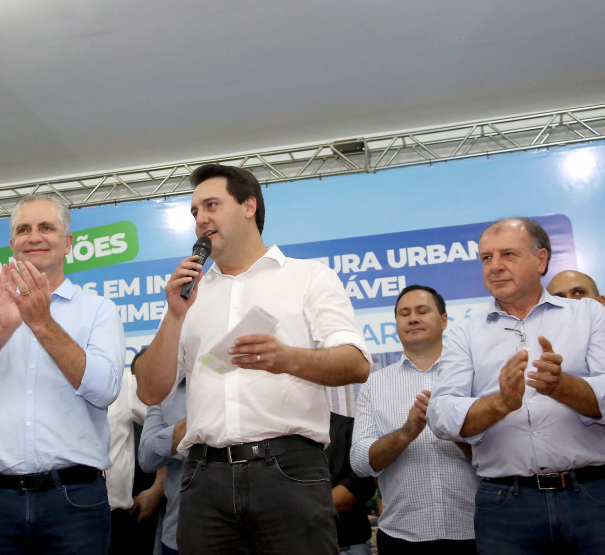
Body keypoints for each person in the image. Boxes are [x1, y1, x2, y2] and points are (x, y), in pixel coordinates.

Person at [134, 164, 371, 555]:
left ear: (249, 206)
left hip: (288, 472)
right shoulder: (190, 296)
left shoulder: (309, 277)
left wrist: (287, 358)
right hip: (202, 479)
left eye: (211, 205)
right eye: (194, 212)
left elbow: (356, 363)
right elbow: (149, 389)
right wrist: (174, 314)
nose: (200, 219)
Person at [0, 193, 126, 554]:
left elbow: (105, 389)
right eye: (24, 229)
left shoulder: (99, 310)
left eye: (46, 227)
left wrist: (41, 322)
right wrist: (0, 329)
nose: (34, 237)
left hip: (75, 501)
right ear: (12, 244)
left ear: (67, 243)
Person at [428, 217, 605, 554]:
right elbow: (440, 416)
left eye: (508, 254)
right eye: (486, 258)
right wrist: (500, 403)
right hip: (506, 506)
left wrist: (563, 387)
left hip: (592, 496)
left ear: (540, 260)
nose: (495, 267)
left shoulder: (589, 316)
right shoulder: (466, 333)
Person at [351, 285, 477, 554]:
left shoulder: (472, 375)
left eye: (422, 310)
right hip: (402, 535)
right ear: (396, 323)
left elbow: (502, 454)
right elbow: (361, 462)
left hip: (475, 530)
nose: (413, 318)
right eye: (404, 313)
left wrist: (450, 429)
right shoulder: (374, 385)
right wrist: (407, 432)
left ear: (444, 320)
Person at [107, 355, 166, 555]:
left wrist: (158, 488)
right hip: (57, 516)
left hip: (118, 520)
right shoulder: (42, 393)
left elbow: (167, 430)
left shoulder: (123, 385)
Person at [139, 378, 187, 555]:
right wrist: (185, 429)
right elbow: (146, 458)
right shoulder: (165, 389)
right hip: (179, 530)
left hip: (250, 529)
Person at [326, 412, 377, 555]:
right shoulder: (280, 434)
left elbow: (361, 483)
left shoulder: (349, 427)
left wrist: (305, 509)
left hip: (348, 544)